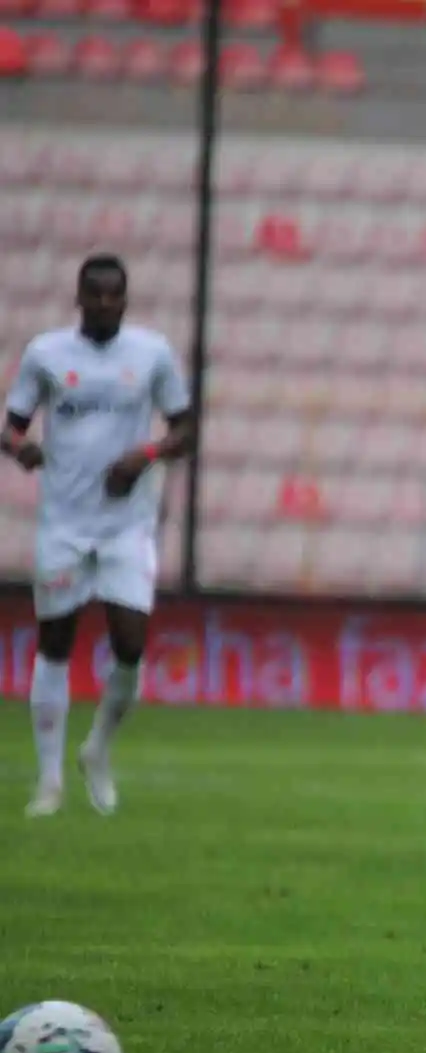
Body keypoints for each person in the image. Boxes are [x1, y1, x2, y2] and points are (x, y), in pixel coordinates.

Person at [2, 254, 194, 817]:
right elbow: (9, 430)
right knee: (55, 644)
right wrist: (23, 450)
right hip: (64, 523)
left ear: (126, 300)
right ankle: (49, 780)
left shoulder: (152, 353)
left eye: (115, 295)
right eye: (96, 295)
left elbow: (185, 427)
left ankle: (97, 751)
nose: (106, 304)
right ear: (79, 297)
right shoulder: (46, 354)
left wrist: (147, 454)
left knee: (131, 646)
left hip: (125, 526)